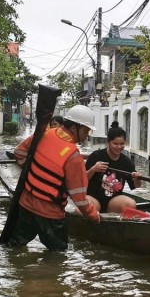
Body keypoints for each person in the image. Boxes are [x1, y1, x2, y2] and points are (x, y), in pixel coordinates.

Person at [8, 104, 101, 251]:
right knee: (58, 256)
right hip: (50, 215)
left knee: (14, 247)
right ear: (73, 128)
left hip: (26, 205)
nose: (86, 135)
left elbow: (19, 152)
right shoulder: (74, 156)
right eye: (85, 130)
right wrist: (94, 215)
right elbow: (80, 198)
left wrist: (32, 170)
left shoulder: (45, 134)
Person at [85, 121, 142, 213]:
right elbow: (81, 180)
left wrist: (137, 179)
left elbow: (136, 186)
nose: (119, 147)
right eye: (115, 144)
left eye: (122, 144)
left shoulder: (126, 162)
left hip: (113, 201)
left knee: (131, 204)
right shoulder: (96, 156)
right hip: (94, 198)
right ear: (108, 142)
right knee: (86, 205)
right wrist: (93, 169)